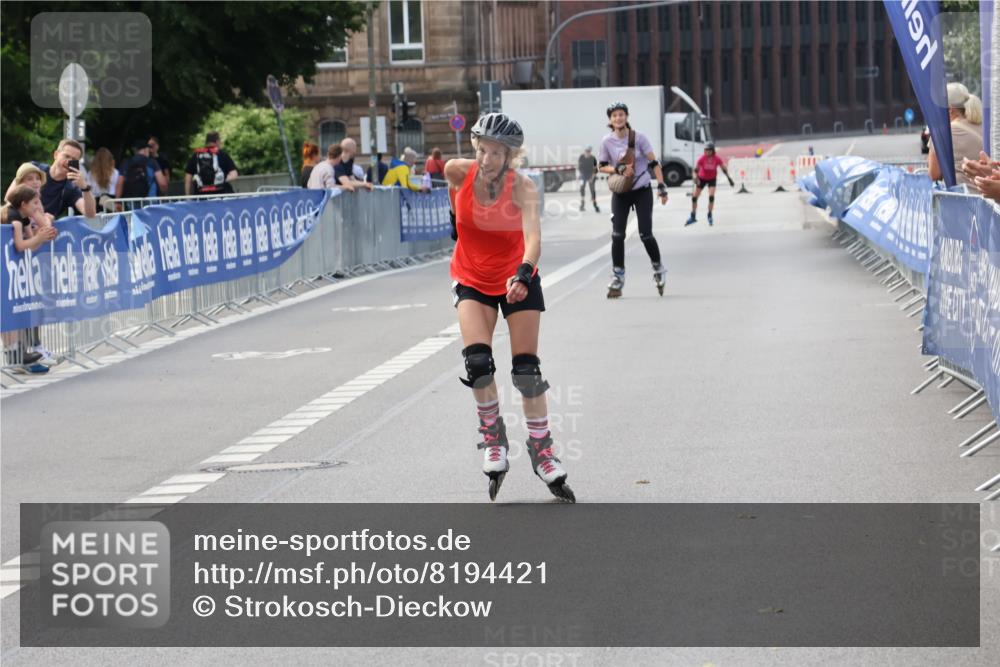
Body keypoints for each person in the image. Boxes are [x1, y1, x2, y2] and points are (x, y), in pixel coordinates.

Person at [444, 112, 575, 503]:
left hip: (517, 278)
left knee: (526, 372)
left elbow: (533, 239)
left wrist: (522, 274)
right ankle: (493, 439)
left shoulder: (524, 188)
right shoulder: (456, 171)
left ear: (511, 156)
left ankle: (542, 450)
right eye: (483, 150)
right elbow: (455, 210)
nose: (488, 159)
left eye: (497, 153)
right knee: (478, 363)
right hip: (471, 278)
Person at [598, 101, 669, 298]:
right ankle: (618, 276)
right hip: (621, 192)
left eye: (621, 114)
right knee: (617, 235)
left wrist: (662, 187)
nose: (618, 118)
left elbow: (654, 163)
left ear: (627, 117)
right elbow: (601, 166)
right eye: (614, 115)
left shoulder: (639, 138)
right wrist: (618, 169)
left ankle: (658, 268)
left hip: (641, 189)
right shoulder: (607, 142)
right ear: (610, 120)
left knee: (645, 233)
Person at [1, 185, 57, 374]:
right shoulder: (14, 218)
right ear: (23, 204)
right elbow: (20, 245)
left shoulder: (23, 216)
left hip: (13, 271)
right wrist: (39, 237)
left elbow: (33, 244)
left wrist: (43, 235)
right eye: (34, 203)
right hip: (7, 267)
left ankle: (19, 354)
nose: (37, 206)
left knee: (16, 308)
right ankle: (14, 355)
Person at [928, 82, 984, 192]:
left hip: (962, 202)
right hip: (990, 202)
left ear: (949, 109)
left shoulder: (943, 133)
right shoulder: (983, 127)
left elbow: (933, 175)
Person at [32, 139, 96, 218]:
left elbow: (90, 214)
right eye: (66, 156)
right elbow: (12, 194)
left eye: (74, 160)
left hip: (45, 227)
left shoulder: (71, 188)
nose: (69, 161)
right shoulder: (34, 169)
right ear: (56, 155)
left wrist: (85, 188)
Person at [685, 143, 734, 227]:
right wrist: (695, 178)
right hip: (702, 179)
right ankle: (693, 216)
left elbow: (724, 169)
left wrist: (729, 179)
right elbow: (695, 171)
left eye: (708, 150)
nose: (707, 152)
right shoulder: (702, 158)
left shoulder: (717, 159)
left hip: (712, 179)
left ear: (712, 151)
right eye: (706, 150)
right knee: (694, 198)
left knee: (711, 197)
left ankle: (710, 215)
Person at [578, 146, 599, 212]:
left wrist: (592, 177)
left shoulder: (593, 158)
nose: (587, 153)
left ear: (590, 152)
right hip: (583, 174)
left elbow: (595, 169)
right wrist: (579, 175)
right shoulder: (581, 157)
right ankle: (582, 205)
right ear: (584, 152)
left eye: (589, 152)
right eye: (586, 151)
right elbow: (579, 167)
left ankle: (595, 205)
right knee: (582, 188)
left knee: (592, 190)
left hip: (590, 174)